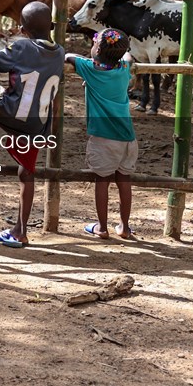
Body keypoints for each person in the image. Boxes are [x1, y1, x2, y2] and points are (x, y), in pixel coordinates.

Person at [0, 0, 65, 248]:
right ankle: (20, 230)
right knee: (26, 172)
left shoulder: (21, 47)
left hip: (8, 114)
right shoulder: (60, 53)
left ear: (22, 29)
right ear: (51, 26)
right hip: (36, 125)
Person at [65, 29, 137, 240]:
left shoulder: (90, 68)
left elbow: (68, 56)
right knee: (124, 181)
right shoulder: (124, 68)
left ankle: (102, 227)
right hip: (128, 138)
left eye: (94, 43)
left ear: (96, 51)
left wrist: (91, 61)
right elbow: (128, 56)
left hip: (104, 138)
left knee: (102, 181)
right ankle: (124, 227)